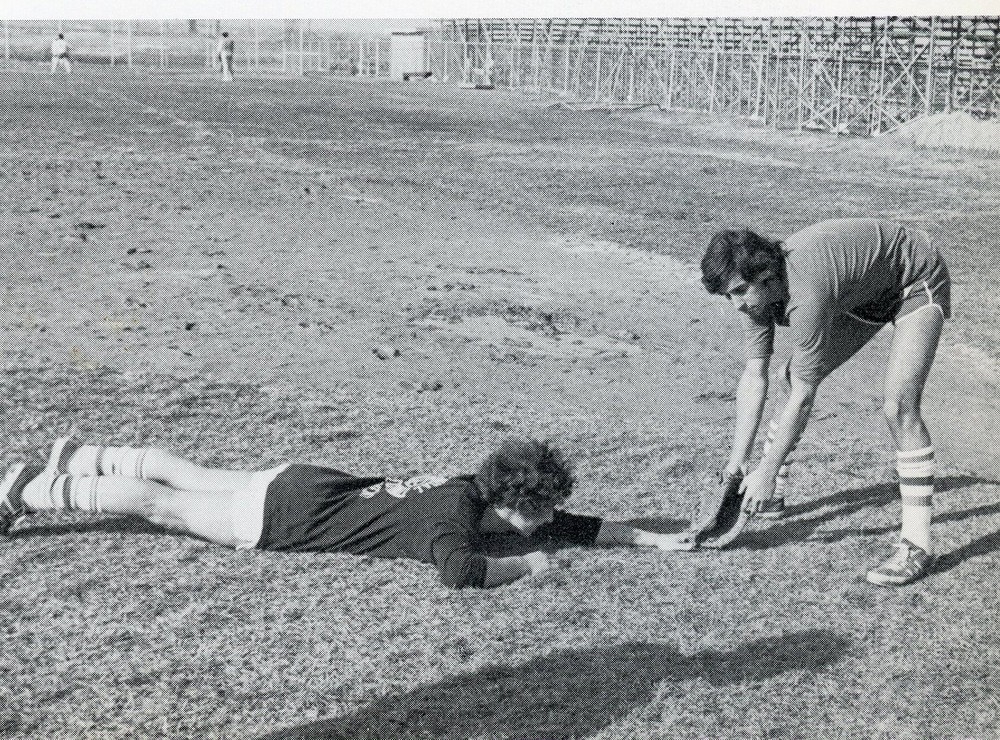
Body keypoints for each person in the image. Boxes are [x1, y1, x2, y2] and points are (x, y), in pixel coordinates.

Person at [1, 436, 691, 588]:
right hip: (284, 520)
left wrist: (649, 539)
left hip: (302, 481)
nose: (547, 524)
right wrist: (528, 565)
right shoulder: (451, 524)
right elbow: (461, 572)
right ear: (512, 507)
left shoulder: (469, 488)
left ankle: (79, 456)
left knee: (190, 474)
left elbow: (574, 525)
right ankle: (30, 489)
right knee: (165, 505)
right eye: (537, 516)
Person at [700, 218, 950, 586]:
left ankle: (917, 545)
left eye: (739, 292)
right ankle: (770, 496)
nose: (736, 305)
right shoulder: (756, 295)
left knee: (899, 406)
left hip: (914, 275)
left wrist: (765, 470)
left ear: (766, 275)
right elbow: (755, 375)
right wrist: (736, 466)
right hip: (866, 293)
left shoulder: (806, 295)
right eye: (727, 296)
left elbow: (805, 398)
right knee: (788, 378)